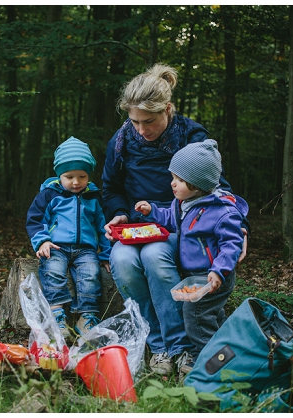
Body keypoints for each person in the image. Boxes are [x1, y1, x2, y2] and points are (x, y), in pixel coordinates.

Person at [101, 63, 248, 376]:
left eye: (149, 121)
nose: (142, 129)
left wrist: (241, 227)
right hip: (136, 225)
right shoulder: (122, 140)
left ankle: (181, 348)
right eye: (134, 121)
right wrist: (119, 213)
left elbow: (217, 184)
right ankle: (159, 345)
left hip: (180, 222)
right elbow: (110, 187)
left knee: (156, 256)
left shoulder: (191, 135)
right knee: (124, 262)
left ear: (167, 109)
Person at [134, 139, 247, 377]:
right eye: (173, 176)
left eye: (179, 180)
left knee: (195, 316)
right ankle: (225, 354)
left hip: (213, 275)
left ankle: (205, 362)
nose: (172, 183)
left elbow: (231, 245)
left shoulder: (222, 211)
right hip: (195, 275)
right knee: (212, 316)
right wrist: (152, 212)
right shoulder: (183, 203)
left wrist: (218, 271)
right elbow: (173, 220)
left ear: (198, 184)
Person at [26, 137, 112, 339]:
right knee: (53, 270)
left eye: (82, 176)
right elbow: (36, 219)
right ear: (59, 175)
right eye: (69, 176)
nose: (76, 182)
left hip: (86, 250)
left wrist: (107, 254)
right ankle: (56, 315)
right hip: (56, 246)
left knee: (91, 274)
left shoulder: (93, 197)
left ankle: (87, 317)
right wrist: (42, 241)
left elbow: (104, 228)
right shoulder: (50, 194)